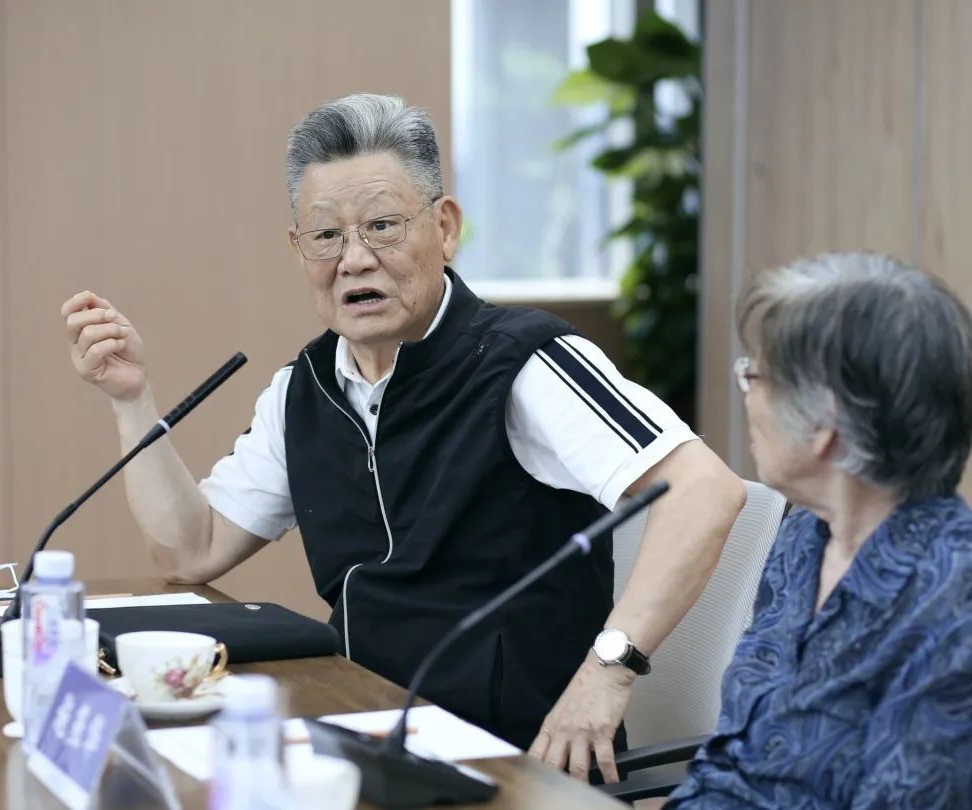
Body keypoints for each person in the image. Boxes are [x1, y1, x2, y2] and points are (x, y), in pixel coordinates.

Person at [61, 93, 744, 782]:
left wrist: (609, 670)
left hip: (511, 761)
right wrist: (131, 401)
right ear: (298, 249)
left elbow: (703, 490)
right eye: (326, 236)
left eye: (383, 226)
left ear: (444, 228)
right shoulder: (306, 389)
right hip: (362, 734)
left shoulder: (524, 364)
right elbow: (192, 549)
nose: (354, 259)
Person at [659, 253, 972, 807]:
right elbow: (733, 756)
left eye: (755, 376)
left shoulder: (954, 597)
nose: (747, 395)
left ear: (825, 422)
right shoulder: (805, 538)